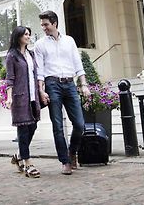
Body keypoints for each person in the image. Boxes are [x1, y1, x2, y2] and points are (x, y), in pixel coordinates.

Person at [34, 10, 91, 175]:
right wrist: (41, 91)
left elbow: (77, 63)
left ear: (54, 23)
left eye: (46, 24)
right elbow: (40, 71)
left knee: (80, 124)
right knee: (58, 126)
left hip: (70, 84)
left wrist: (84, 84)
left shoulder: (69, 41)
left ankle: (72, 151)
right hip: (52, 85)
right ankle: (65, 161)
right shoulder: (40, 45)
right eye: (42, 25)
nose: (43, 28)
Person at [5, 26, 41, 178]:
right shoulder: (12, 56)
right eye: (25, 34)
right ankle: (28, 163)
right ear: (18, 36)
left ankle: (19, 155)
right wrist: (9, 97)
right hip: (20, 97)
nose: (28, 36)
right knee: (23, 130)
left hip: (33, 97)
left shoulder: (31, 54)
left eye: (29, 34)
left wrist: (41, 90)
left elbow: (36, 73)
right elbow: (10, 78)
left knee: (33, 125)